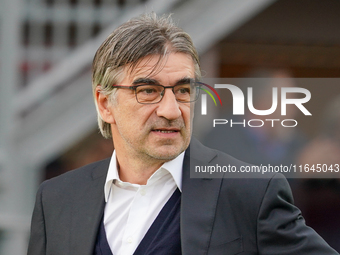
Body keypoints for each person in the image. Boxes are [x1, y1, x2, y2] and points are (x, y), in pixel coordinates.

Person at [27, 13, 338, 255]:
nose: (172, 110)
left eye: (183, 90)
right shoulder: (56, 199)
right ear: (105, 103)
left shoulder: (249, 192)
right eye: (148, 90)